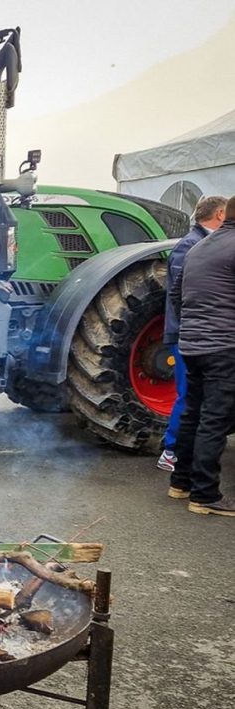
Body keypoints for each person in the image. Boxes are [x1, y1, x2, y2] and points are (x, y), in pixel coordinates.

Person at [167, 195, 235, 516]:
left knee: (193, 413)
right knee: (215, 418)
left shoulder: (197, 247)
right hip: (224, 346)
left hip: (193, 345)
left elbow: (177, 296)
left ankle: (180, 482)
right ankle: (206, 495)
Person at [158, 195, 227, 472]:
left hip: (196, 333)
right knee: (188, 395)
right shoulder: (190, 246)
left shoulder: (199, 244)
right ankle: (171, 451)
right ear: (220, 214)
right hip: (189, 335)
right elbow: (182, 295)